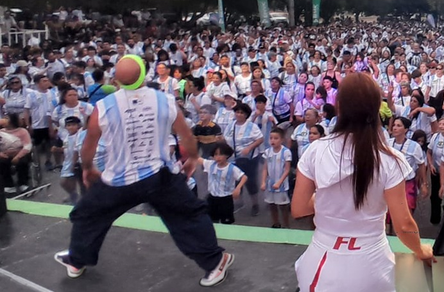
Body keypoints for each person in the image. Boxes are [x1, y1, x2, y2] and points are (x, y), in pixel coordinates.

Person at [54, 55, 233, 288]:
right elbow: (186, 135)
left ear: (117, 80)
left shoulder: (103, 108)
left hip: (119, 180)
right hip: (159, 175)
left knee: (89, 215)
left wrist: (88, 168)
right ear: (142, 73)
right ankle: (216, 260)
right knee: (188, 216)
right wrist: (190, 158)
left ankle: (77, 260)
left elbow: (89, 143)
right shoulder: (165, 100)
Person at [292, 72, 433, 291]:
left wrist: (326, 197)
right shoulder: (390, 159)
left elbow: (299, 208)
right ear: (377, 107)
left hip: (321, 261)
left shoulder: (316, 150)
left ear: (338, 105)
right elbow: (404, 224)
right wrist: (420, 250)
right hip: (372, 265)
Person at [198, 143, 246, 224]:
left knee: (226, 222)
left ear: (227, 155)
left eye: (221, 154)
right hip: (212, 198)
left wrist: (238, 188)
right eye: (215, 154)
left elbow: (244, 177)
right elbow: (197, 159)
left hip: (226, 199)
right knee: (212, 221)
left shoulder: (232, 168)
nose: (218, 157)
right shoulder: (210, 164)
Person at [262, 127, 292, 229]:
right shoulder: (267, 152)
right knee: (272, 204)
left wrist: (279, 182)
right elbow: (265, 168)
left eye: (276, 138)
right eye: (271, 138)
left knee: (283, 206)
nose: (273, 140)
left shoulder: (286, 152)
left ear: (282, 139)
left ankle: (286, 225)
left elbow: (287, 170)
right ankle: (275, 223)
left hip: (281, 185)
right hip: (270, 184)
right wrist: (263, 182)